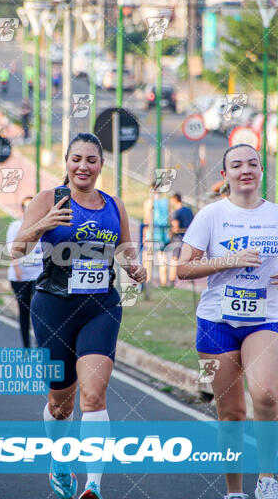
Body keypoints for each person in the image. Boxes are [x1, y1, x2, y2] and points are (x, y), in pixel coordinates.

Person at [12, 132, 147, 499]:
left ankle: (93, 486)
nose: (83, 166)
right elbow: (16, 249)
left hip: (100, 306)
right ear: (67, 162)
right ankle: (59, 460)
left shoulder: (113, 205)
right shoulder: (47, 199)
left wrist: (134, 268)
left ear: (102, 165)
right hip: (53, 306)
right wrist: (44, 223)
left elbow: (125, 249)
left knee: (93, 394)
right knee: (60, 402)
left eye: (91, 159)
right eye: (76, 159)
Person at [177, 143, 278, 499]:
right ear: (225, 176)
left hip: (265, 319)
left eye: (253, 163)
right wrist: (229, 260)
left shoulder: (276, 216)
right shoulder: (211, 215)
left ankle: (268, 479)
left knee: (266, 395)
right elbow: (184, 268)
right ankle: (234, 492)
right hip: (216, 320)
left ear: (261, 172)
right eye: (237, 165)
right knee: (231, 412)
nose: (246, 170)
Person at [6, 196, 42, 348]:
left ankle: (40, 343)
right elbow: (11, 249)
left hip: (39, 274)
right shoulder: (16, 226)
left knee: (38, 309)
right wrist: (17, 268)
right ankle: (26, 347)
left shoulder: (43, 225)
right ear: (22, 210)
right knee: (24, 311)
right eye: (26, 207)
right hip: (20, 276)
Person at [142, 182, 170, 286]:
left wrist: (144, 235)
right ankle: (164, 282)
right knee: (162, 257)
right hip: (163, 232)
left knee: (148, 257)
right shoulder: (166, 202)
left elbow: (146, 219)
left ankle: (147, 280)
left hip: (152, 231)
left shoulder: (149, 202)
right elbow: (169, 218)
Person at [165, 193, 194, 283]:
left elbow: (175, 228)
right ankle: (191, 278)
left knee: (175, 258)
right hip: (189, 237)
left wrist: (170, 234)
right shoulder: (189, 211)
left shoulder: (176, 212)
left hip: (178, 238)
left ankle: (171, 280)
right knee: (189, 259)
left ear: (174, 200)